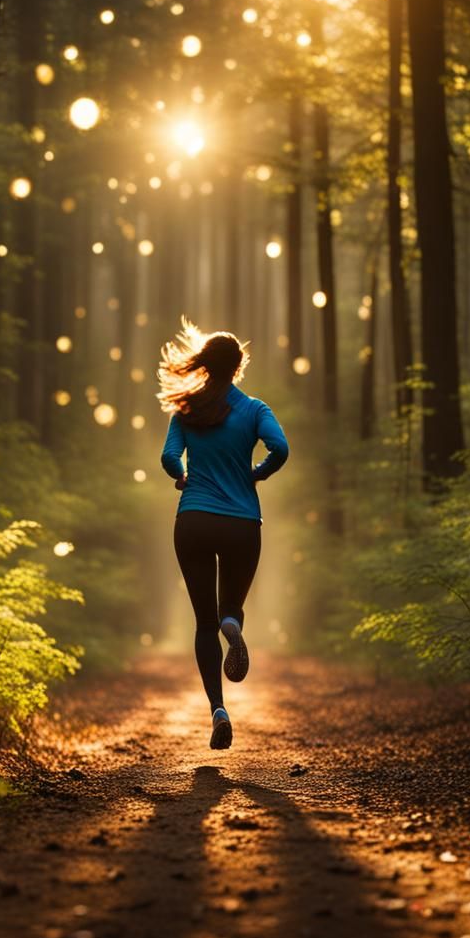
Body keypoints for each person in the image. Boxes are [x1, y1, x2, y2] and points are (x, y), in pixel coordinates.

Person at [158, 318, 289, 750]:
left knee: (202, 622)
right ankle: (233, 623)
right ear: (238, 367)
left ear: (205, 366)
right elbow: (280, 449)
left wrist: (182, 476)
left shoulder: (187, 409)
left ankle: (217, 709)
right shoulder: (255, 410)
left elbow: (168, 456)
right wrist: (255, 474)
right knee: (229, 608)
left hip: (193, 519)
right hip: (241, 523)